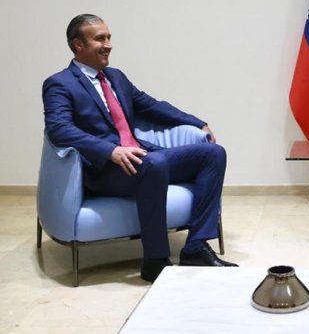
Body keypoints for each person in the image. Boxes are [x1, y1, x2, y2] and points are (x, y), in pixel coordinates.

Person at [43, 14, 238, 282]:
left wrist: (198, 122)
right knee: (154, 163)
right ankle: (155, 261)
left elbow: (151, 106)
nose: (109, 44)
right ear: (78, 45)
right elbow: (59, 128)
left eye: (109, 37)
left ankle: (195, 247)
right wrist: (109, 150)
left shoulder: (116, 77)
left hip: (144, 159)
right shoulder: (59, 84)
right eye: (100, 38)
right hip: (107, 169)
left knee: (214, 154)